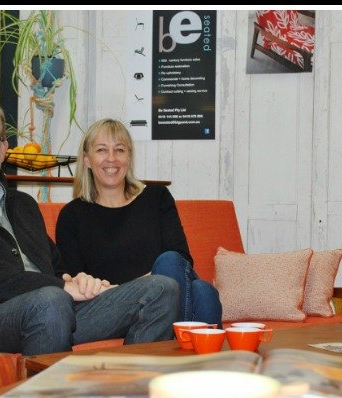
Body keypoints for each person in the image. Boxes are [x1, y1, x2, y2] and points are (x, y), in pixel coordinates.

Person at [0, 102, 179, 356]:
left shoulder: (22, 204)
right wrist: (61, 286)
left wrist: (78, 281)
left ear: (3, 149)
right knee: (50, 300)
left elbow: (54, 265)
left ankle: (129, 388)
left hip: (54, 310)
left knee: (161, 288)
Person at [56, 118, 222, 327]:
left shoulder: (156, 197)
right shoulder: (71, 215)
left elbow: (182, 258)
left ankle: (168, 344)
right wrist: (139, 289)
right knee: (203, 293)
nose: (111, 159)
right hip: (115, 306)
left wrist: (152, 286)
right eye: (101, 150)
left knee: (191, 280)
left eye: (119, 150)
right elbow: (76, 281)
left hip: (166, 293)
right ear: (87, 159)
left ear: (129, 157)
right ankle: (179, 347)